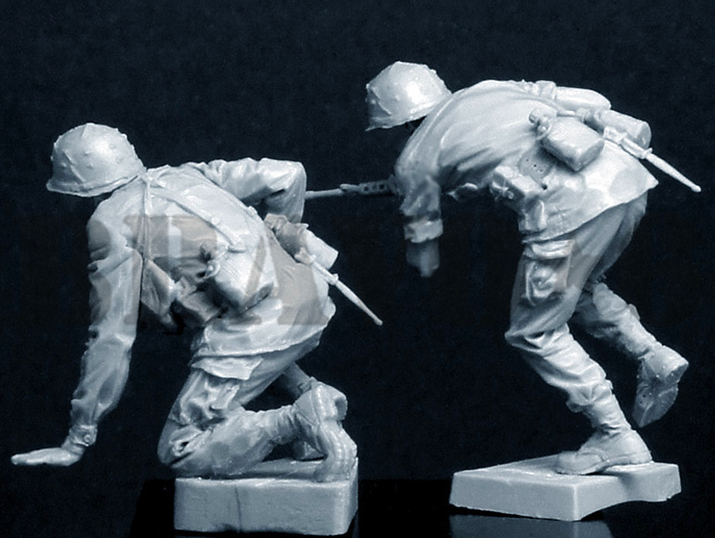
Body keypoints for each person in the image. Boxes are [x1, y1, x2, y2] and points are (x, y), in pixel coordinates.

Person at [365, 62, 688, 475]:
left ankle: (614, 433)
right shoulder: (489, 88)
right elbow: (593, 101)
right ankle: (653, 355)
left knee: (534, 331)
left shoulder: (413, 158)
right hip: (625, 183)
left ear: (396, 121)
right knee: (582, 289)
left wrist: (405, 189)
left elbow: (423, 224)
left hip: (569, 211)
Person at [11, 123, 356, 482]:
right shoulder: (185, 175)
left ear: (78, 187)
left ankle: (299, 419)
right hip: (311, 296)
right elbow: (287, 174)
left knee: (181, 448)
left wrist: (79, 435)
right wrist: (281, 226)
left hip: (259, 326)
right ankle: (313, 397)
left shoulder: (109, 224)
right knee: (249, 359)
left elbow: (112, 337)